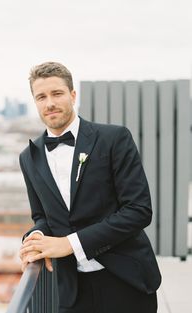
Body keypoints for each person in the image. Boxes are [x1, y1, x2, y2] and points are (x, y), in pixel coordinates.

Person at [19, 61, 161, 313]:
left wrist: (70, 244)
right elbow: (42, 215)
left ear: (73, 95)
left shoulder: (114, 138)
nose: (49, 103)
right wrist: (36, 238)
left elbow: (139, 210)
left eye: (57, 93)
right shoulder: (29, 157)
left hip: (126, 281)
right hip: (72, 291)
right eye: (41, 96)